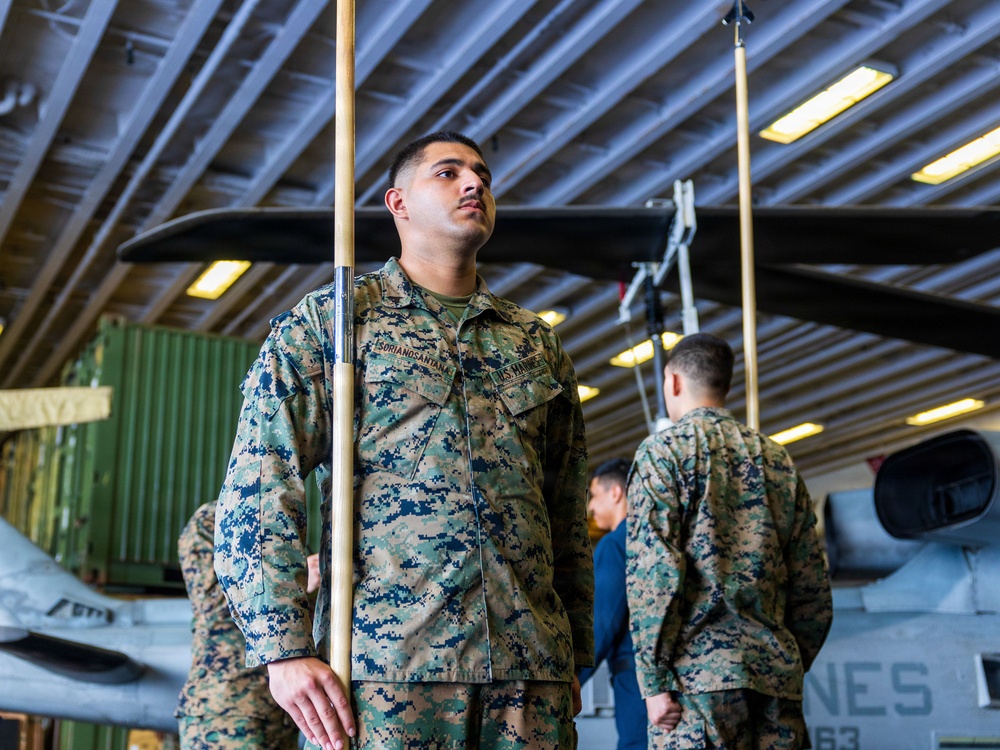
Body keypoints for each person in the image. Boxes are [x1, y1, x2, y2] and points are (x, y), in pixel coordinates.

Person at [214, 131, 594, 750]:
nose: (474, 184)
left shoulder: (534, 343)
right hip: (388, 674)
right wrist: (282, 648)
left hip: (528, 673)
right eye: (448, 172)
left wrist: (573, 652)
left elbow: (567, 512)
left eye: (482, 175)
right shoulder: (335, 322)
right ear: (398, 203)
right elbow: (261, 481)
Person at [625, 332, 833, 749]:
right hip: (775, 682)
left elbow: (655, 575)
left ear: (673, 381)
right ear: (725, 384)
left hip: (695, 687)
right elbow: (812, 587)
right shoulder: (777, 460)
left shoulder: (663, 454)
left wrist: (654, 681)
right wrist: (783, 663)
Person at [175, 501, 300, 749]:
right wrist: (291, 586)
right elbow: (214, 604)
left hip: (279, 716)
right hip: (225, 713)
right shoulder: (214, 517)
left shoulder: (286, 525)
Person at [578, 458, 647, 750]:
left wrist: (573, 680)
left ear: (616, 493)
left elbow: (603, 623)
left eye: (594, 495)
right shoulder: (654, 539)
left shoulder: (615, 544)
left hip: (634, 677)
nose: (591, 507)